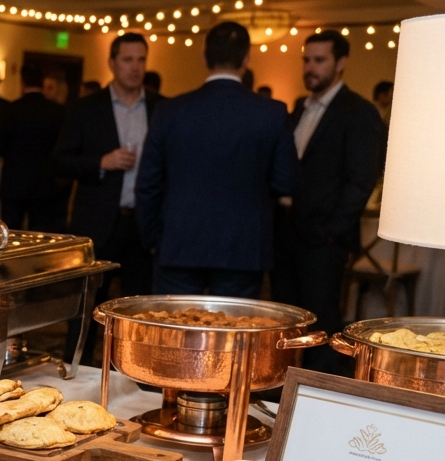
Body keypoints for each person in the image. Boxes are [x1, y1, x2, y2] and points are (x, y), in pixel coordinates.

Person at [136, 22, 296, 298]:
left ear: (204, 57)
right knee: (235, 334)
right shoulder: (272, 113)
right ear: (246, 58)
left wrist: (153, 239)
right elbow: (286, 180)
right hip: (242, 247)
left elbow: (148, 183)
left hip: (179, 243)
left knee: (176, 333)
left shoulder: (170, 111)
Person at [271, 30, 384, 371]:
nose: (310, 67)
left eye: (319, 60)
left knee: (322, 323)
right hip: (286, 234)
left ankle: (318, 397)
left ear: (341, 64)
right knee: (286, 320)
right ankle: (281, 396)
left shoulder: (359, 112)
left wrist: (333, 231)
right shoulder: (296, 110)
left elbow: (361, 179)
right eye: (306, 59)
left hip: (324, 240)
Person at [54, 32, 163, 298]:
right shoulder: (86, 108)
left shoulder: (161, 108)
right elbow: (60, 162)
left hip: (142, 225)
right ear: (112, 63)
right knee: (88, 306)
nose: (136, 67)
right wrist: (102, 162)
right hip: (98, 224)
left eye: (141, 60)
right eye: (128, 59)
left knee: (140, 308)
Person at [0, 63, 67, 232]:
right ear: (42, 83)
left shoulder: (11, 110)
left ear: (22, 82)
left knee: (10, 236)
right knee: (40, 236)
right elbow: (62, 148)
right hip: (45, 185)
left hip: (14, 184)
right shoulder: (57, 111)